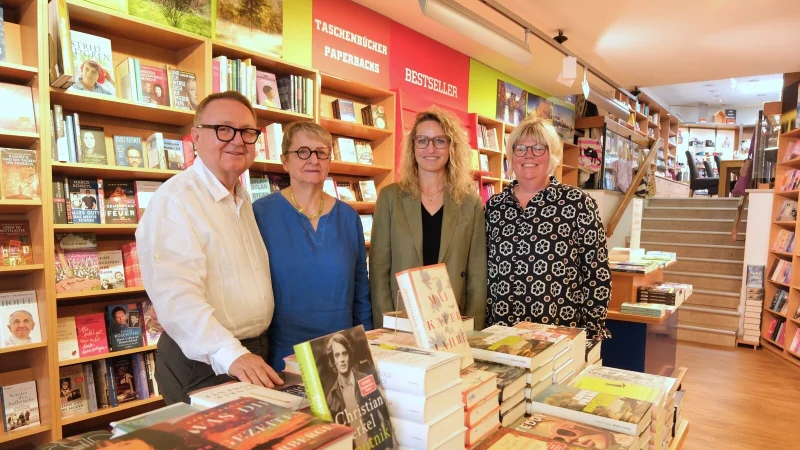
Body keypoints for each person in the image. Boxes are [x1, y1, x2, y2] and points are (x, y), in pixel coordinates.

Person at [136, 91, 281, 405]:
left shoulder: (242, 200)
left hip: (248, 353)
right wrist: (230, 355)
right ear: (195, 138)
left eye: (247, 132)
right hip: (205, 362)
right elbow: (177, 296)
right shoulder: (176, 200)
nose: (237, 140)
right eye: (224, 129)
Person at [253, 122, 371, 371]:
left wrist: (368, 347)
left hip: (341, 352)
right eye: (302, 152)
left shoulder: (348, 217)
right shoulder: (260, 214)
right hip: (283, 354)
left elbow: (361, 291)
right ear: (285, 161)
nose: (313, 159)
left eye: (321, 152)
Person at [484, 118, 611, 340]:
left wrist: (589, 334)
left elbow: (596, 274)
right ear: (511, 155)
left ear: (552, 155)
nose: (528, 155)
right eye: (520, 148)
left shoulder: (577, 203)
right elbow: (482, 270)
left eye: (538, 148)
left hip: (558, 336)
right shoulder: (494, 207)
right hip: (500, 334)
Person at [370, 108, 487, 329]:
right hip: (402, 319)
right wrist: (386, 325)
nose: (430, 149)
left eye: (439, 141)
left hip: (452, 320)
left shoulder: (470, 203)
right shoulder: (390, 197)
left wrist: (473, 330)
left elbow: (477, 274)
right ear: (413, 146)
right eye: (422, 140)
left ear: (451, 146)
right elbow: (378, 271)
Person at [324, 333, 387, 449]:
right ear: (333, 360)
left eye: (344, 354)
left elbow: (384, 412)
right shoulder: (331, 397)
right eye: (337, 355)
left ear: (349, 355)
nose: (342, 359)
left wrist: (388, 445)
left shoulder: (365, 379)